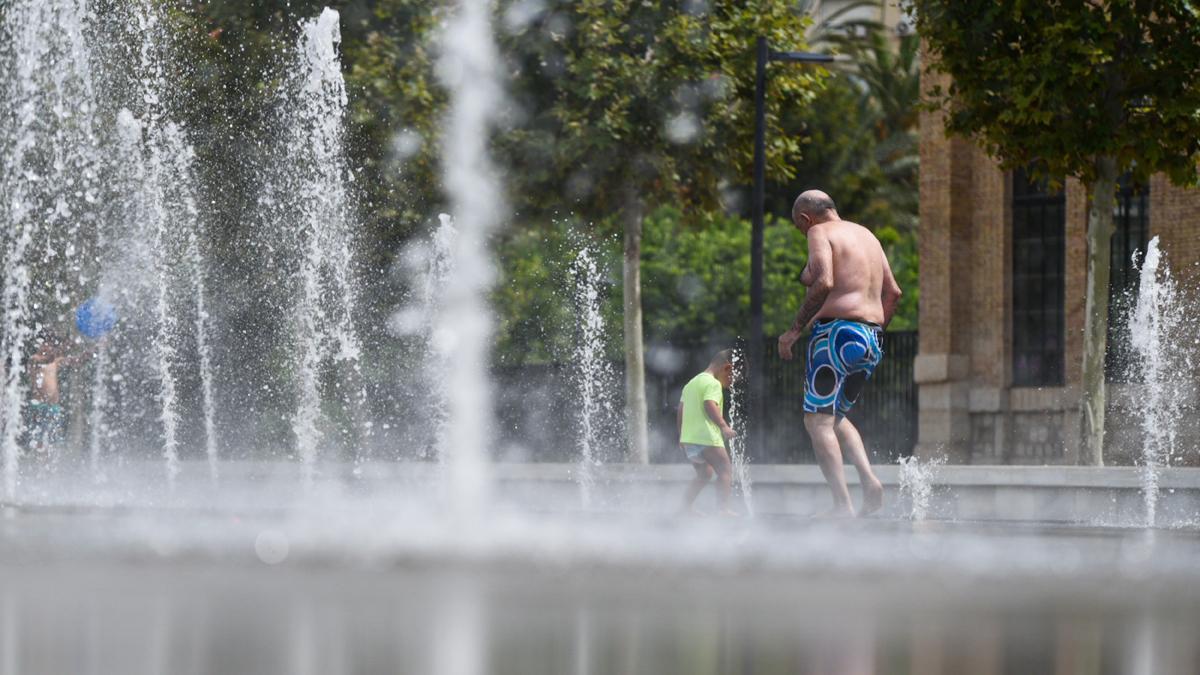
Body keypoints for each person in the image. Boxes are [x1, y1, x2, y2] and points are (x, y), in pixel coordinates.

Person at [777, 190, 902, 518]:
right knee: (835, 417)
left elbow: (824, 282)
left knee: (816, 421)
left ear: (806, 219)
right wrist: (871, 331)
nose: (804, 234)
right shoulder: (868, 236)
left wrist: (794, 330)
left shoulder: (820, 232)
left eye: (799, 229)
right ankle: (869, 480)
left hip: (834, 334)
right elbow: (894, 293)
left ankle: (841, 506)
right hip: (870, 339)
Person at [677, 349, 738, 516]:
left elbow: (681, 409)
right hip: (707, 437)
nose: (731, 384)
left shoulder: (691, 383)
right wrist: (723, 426)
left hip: (689, 438)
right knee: (725, 470)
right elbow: (710, 404)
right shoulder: (713, 383)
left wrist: (681, 435)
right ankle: (723, 509)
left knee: (704, 474)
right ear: (727, 368)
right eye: (732, 378)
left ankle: (685, 507)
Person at [24, 331, 89, 454]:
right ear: (39, 345)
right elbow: (47, 359)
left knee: (53, 440)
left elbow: (76, 360)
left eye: (49, 345)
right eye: (44, 344)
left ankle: (50, 467)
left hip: (54, 406)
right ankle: (39, 465)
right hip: (39, 406)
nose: (47, 347)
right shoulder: (34, 360)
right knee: (39, 440)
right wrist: (66, 345)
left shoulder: (55, 361)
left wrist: (90, 352)